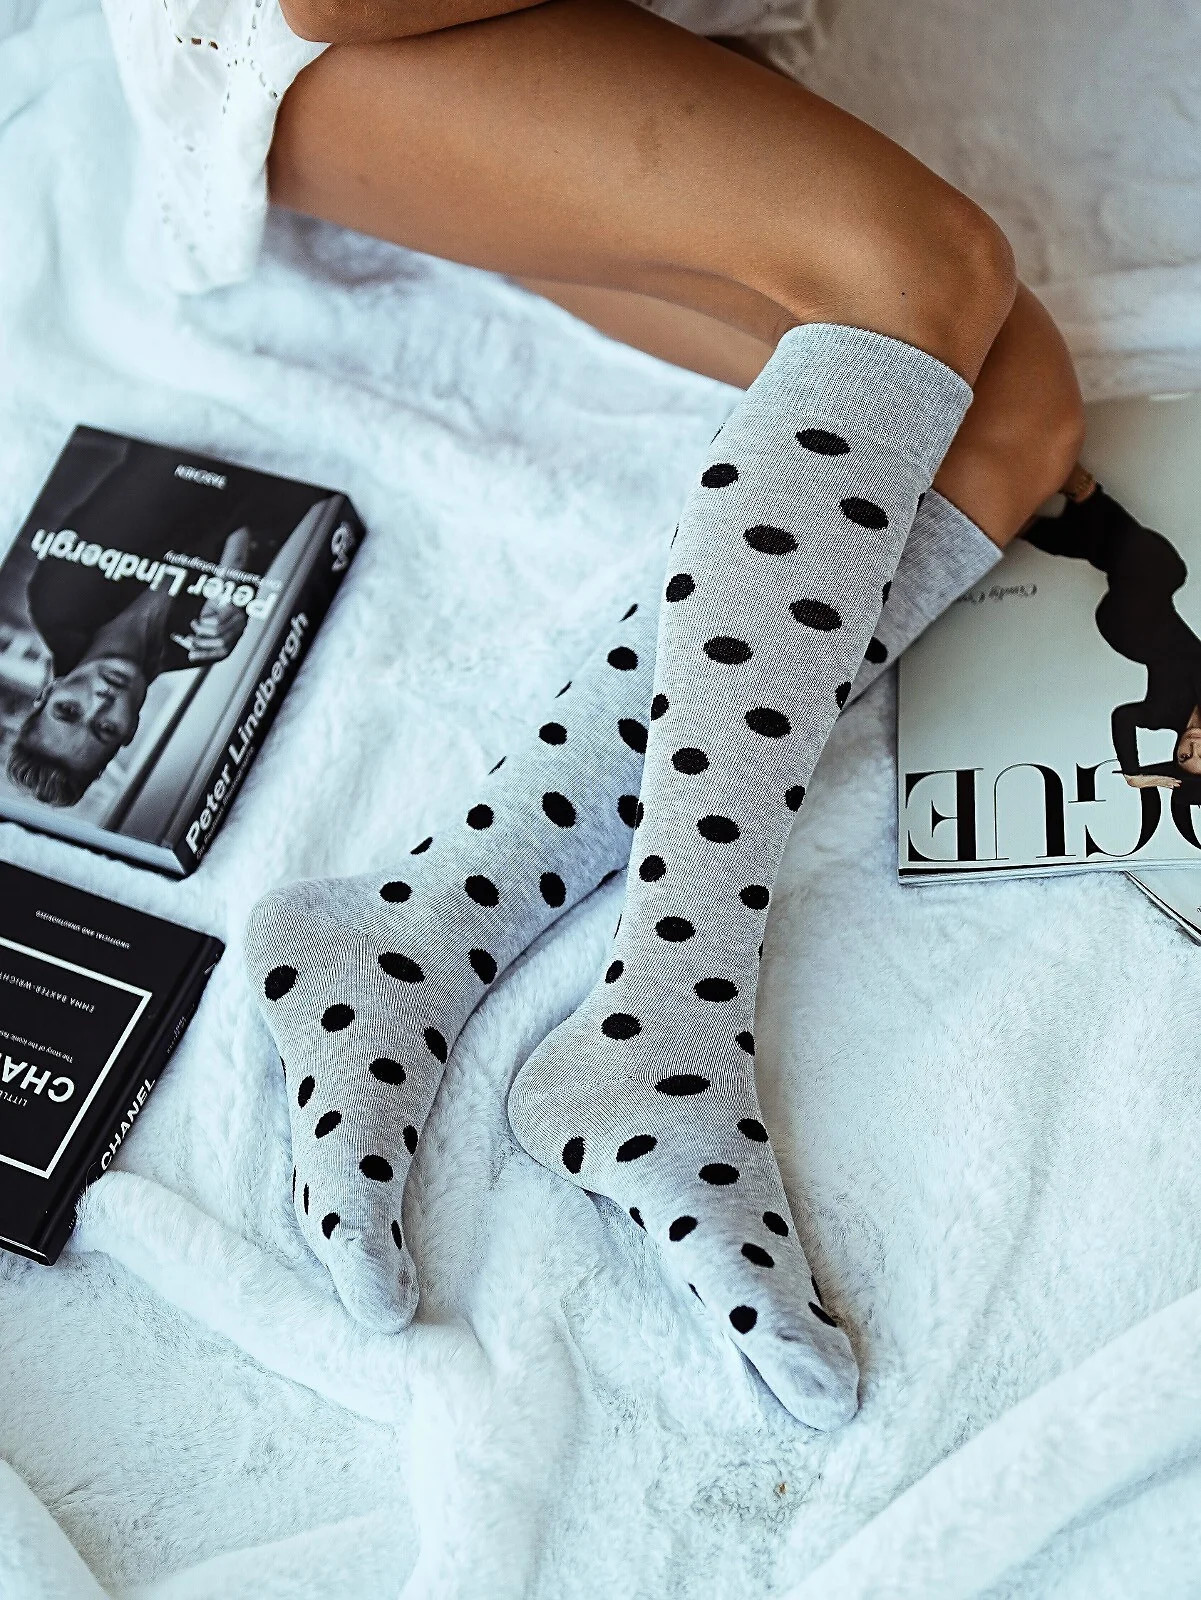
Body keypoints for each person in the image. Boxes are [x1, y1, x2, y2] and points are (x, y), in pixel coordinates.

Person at [103, 0, 1096, 1428]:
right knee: (915, 267)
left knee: (1010, 412)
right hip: (318, 40)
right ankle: (670, 1024)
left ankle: (409, 935)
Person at [7, 437, 315, 806]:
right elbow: (275, 516)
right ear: (130, 730)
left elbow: (176, 475)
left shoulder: (57, 598)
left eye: (69, 710)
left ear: (47, 693)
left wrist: (232, 565)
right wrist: (236, 587)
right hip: (305, 465)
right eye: (106, 728)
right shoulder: (201, 649)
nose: (100, 702)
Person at [1024, 472, 1201, 798]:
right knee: (1130, 559)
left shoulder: (1162, 714)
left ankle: (1083, 491)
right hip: (1155, 607)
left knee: (1163, 568)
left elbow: (1123, 717)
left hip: (1129, 630)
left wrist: (1133, 773)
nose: (1192, 748)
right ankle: (1038, 524)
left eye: (1183, 757)